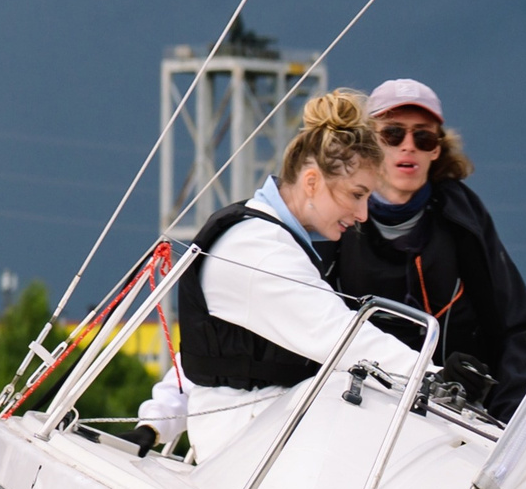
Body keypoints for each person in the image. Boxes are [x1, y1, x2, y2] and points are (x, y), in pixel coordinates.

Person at [155, 89, 419, 461]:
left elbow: (222, 348)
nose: (363, 214)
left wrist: (160, 416)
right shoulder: (259, 249)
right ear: (311, 182)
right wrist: (430, 376)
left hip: (260, 438)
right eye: (357, 194)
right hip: (244, 451)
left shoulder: (269, 236)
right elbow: (338, 336)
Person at [322, 78, 526, 420]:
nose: (408, 146)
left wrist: (510, 420)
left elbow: (515, 324)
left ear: (437, 149)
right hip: (352, 407)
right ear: (367, 143)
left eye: (423, 137)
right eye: (392, 134)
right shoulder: (332, 215)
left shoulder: (463, 218)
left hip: (458, 416)